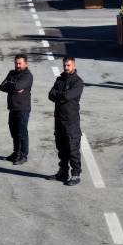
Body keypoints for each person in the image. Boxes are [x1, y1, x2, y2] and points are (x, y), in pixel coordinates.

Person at [48, 56, 84, 186]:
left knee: (72, 148)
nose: (66, 68)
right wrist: (61, 95)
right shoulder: (60, 79)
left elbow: (68, 96)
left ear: (73, 65)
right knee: (61, 148)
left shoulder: (78, 82)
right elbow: (50, 94)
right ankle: (63, 172)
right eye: (64, 65)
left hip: (71, 121)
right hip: (59, 120)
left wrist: (60, 95)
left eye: (68, 65)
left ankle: (75, 174)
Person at [0, 54, 33, 165]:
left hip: (22, 108)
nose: (17, 65)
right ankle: (16, 152)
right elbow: (2, 86)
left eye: (20, 63)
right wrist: (13, 86)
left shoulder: (28, 76)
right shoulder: (11, 73)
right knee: (14, 132)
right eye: (16, 63)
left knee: (22, 133)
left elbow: (17, 86)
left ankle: (24, 155)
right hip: (12, 108)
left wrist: (12, 85)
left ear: (25, 63)